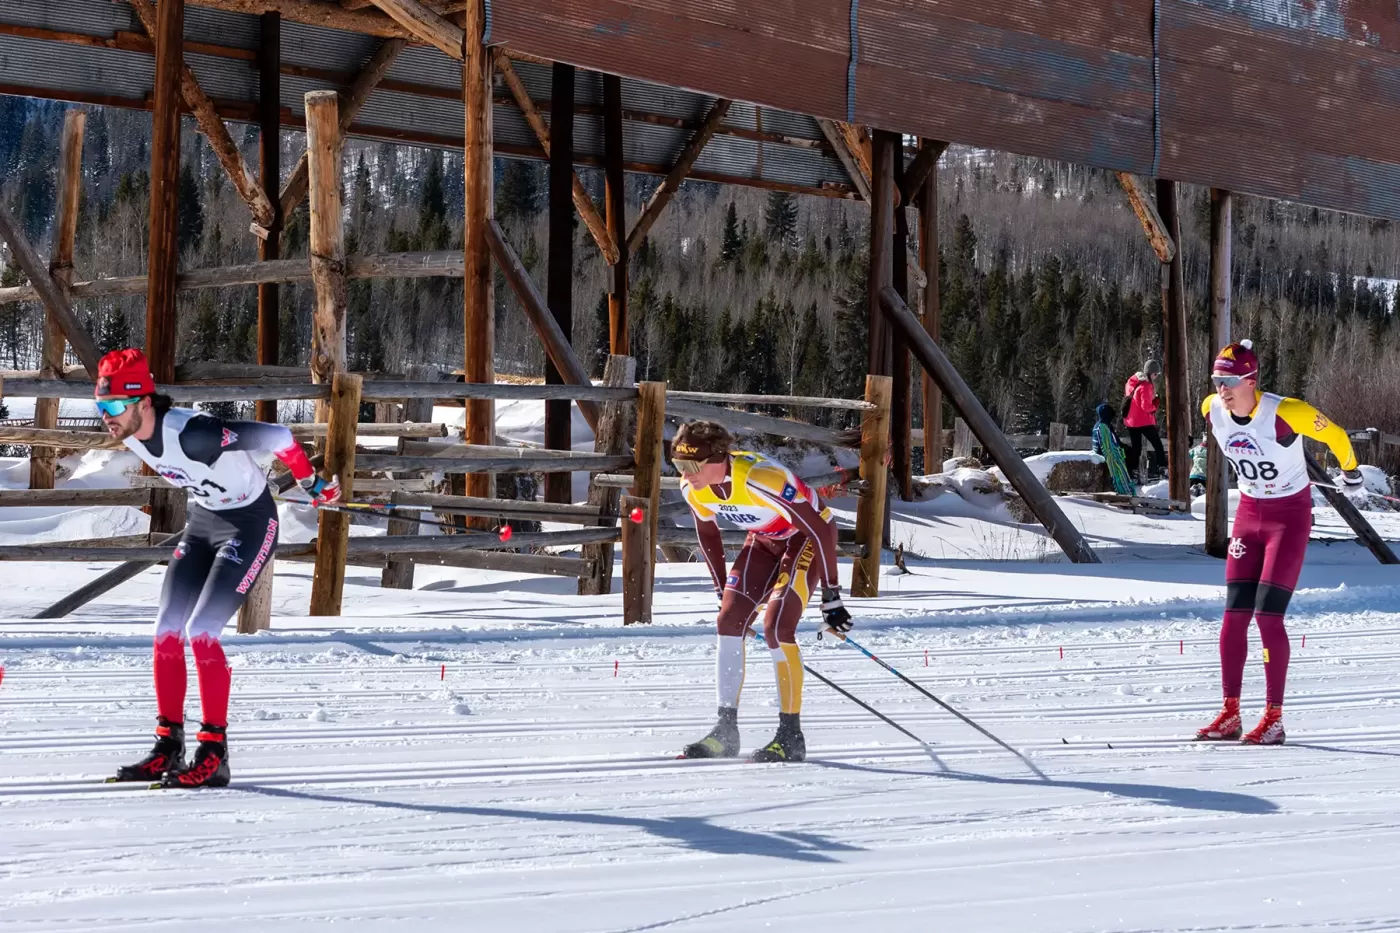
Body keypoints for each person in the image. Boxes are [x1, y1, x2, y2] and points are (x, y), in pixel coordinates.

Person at [97, 349, 341, 787]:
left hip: (249, 524)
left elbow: (279, 435)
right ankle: (168, 747)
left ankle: (214, 752)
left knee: (202, 632)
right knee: (166, 631)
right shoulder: (131, 433)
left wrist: (311, 481)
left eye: (115, 407)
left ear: (144, 402)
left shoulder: (195, 435)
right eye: (101, 406)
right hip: (204, 523)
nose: (106, 418)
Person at [1194, 339, 1362, 746]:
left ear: (1252, 381)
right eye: (1217, 380)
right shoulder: (1211, 408)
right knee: (1234, 616)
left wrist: (1351, 472)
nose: (1222, 389)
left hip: (1287, 519)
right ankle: (1230, 713)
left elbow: (1336, 434)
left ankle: (1274, 718)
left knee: (1268, 617)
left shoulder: (1286, 412)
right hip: (1249, 515)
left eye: (1230, 381)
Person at [672, 421, 851, 763]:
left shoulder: (760, 479)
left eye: (692, 465)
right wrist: (721, 591)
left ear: (718, 457)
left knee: (776, 627)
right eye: (678, 464)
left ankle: (790, 737)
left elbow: (821, 528)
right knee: (728, 621)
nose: (685, 473)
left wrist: (832, 596)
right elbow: (708, 535)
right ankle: (725, 732)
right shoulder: (693, 488)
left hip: (805, 539)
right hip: (764, 539)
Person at [1123, 360, 1167, 483]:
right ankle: (1162, 468)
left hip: (1131, 421)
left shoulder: (1133, 382)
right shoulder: (1146, 385)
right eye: (1156, 374)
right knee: (1157, 444)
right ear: (1151, 373)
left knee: (1136, 448)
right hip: (1143, 421)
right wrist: (1155, 404)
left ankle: (1133, 471)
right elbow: (1146, 407)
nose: (1156, 376)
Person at [1092, 401, 1135, 495]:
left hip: (1100, 453)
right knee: (1129, 457)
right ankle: (1127, 486)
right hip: (1104, 455)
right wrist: (1123, 450)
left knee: (1128, 452)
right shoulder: (1103, 426)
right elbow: (1110, 444)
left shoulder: (1099, 425)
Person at [1189, 432, 1210, 497]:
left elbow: (1189, 454)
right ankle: (1201, 490)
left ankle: (1193, 489)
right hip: (1204, 476)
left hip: (1194, 474)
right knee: (1202, 495)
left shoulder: (1196, 449)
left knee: (1192, 494)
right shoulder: (1211, 451)